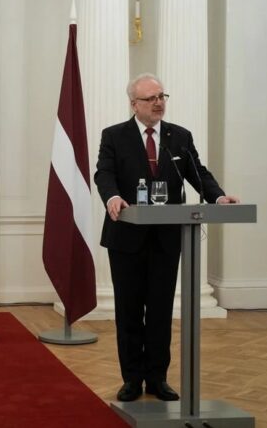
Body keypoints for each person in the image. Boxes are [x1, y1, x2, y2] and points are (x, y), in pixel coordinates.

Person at [94, 73, 239, 402]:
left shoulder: (179, 137)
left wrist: (217, 197)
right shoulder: (114, 136)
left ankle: (157, 378)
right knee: (129, 310)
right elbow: (104, 173)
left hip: (165, 238)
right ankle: (131, 379)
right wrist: (112, 197)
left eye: (162, 96)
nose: (158, 102)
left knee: (160, 310)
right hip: (126, 237)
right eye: (151, 98)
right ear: (134, 104)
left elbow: (197, 172)